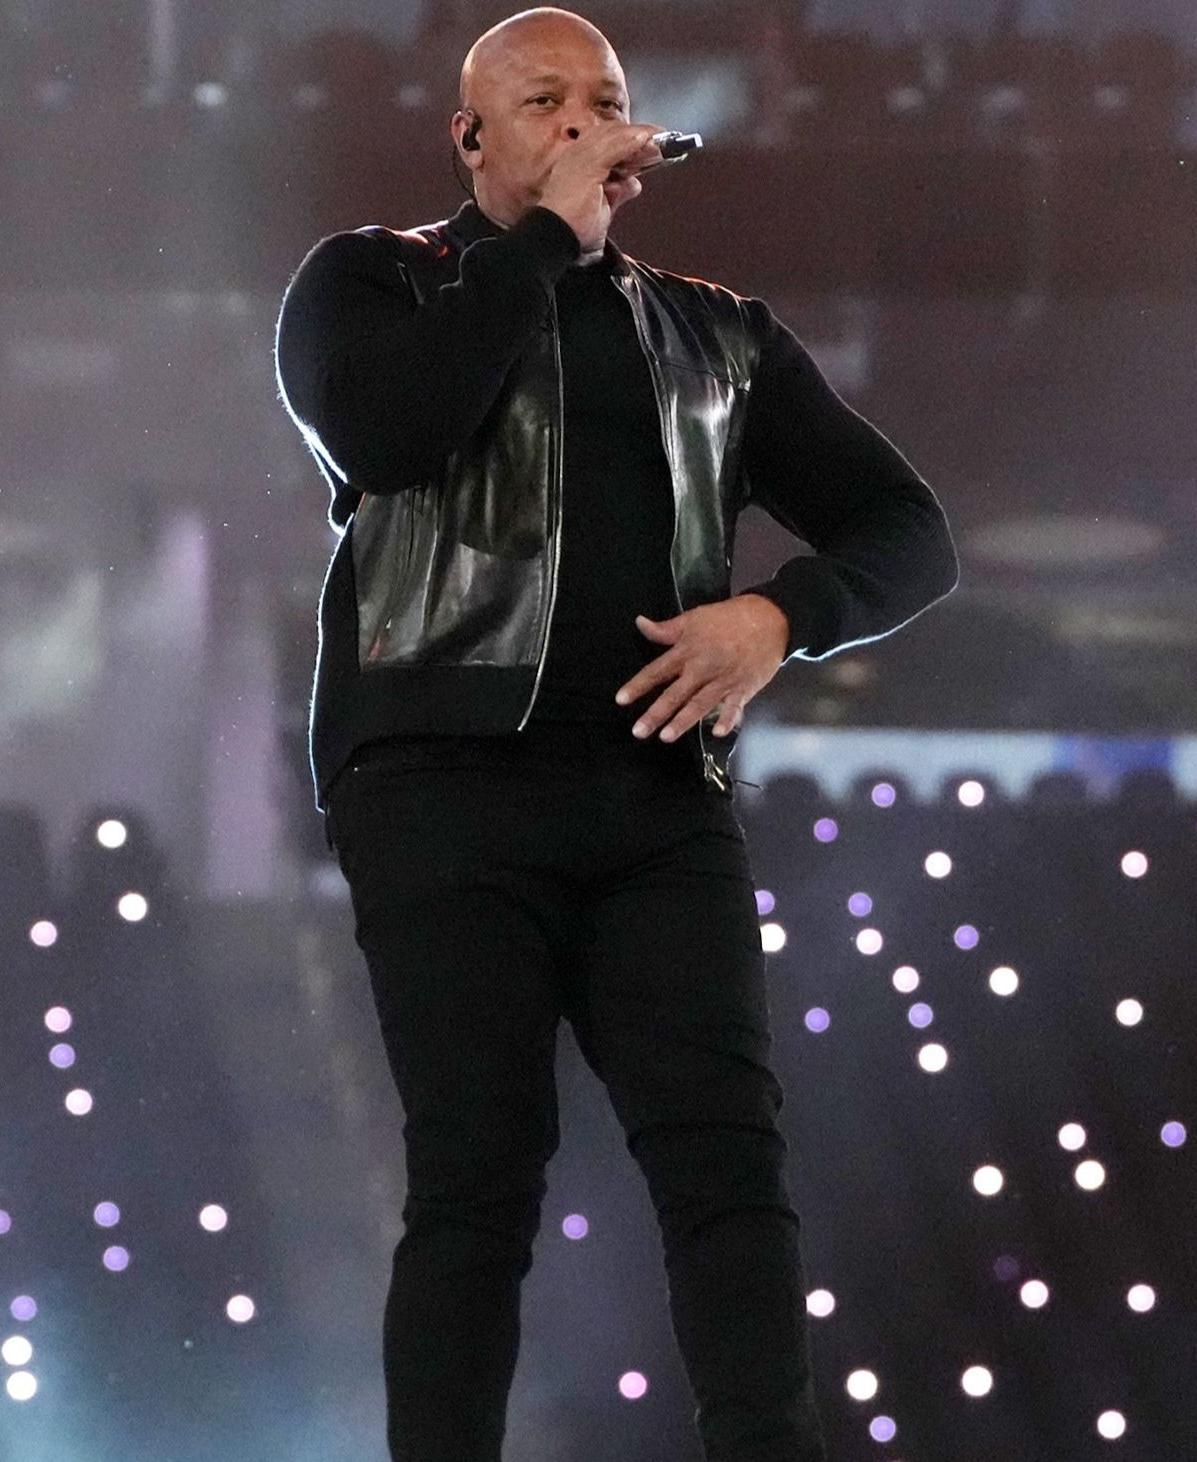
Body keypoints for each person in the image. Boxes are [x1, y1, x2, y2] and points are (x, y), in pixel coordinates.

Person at [272, 9, 956, 1460]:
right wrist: (537, 248)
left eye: (607, 98)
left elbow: (911, 533)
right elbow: (390, 432)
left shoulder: (718, 335)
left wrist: (779, 617)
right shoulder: (375, 281)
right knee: (478, 1177)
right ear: (471, 137)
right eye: (545, 101)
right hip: (437, 782)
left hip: (654, 795)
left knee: (728, 1162)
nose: (585, 121)